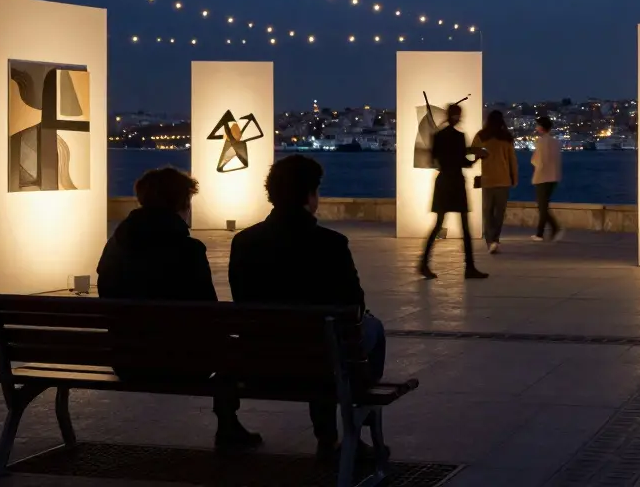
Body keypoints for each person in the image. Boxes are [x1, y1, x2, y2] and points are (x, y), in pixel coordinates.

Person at [228, 155, 386, 460]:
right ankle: (348, 430)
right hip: (320, 360)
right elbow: (353, 303)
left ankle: (230, 425)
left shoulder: (244, 242)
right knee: (367, 329)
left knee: (322, 338)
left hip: (260, 359)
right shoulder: (331, 244)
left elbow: (241, 298)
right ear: (310, 195)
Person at [96, 167, 261, 451]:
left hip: (127, 359)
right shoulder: (188, 250)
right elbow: (209, 313)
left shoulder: (115, 246)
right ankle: (227, 424)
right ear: (182, 204)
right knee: (231, 347)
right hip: (181, 363)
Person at [419, 103, 489, 279]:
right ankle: (469, 267)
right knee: (465, 227)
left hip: (443, 182)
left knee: (437, 225)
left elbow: (435, 158)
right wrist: (477, 158)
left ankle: (423, 263)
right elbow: (462, 162)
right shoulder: (458, 136)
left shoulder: (439, 136)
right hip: (456, 183)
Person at [472, 110, 517, 253]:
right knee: (499, 212)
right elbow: (512, 161)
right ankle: (495, 239)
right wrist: (514, 179)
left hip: (488, 179)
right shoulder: (507, 138)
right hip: (503, 180)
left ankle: (490, 240)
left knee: (487, 211)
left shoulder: (481, 136)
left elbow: (474, 152)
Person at [530, 116, 563, 242]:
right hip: (554, 177)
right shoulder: (555, 142)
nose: (536, 127)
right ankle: (548, 230)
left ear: (542, 127)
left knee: (542, 206)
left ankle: (543, 232)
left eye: (538, 125)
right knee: (544, 206)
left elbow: (536, 160)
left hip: (542, 177)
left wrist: (535, 163)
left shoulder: (540, 142)